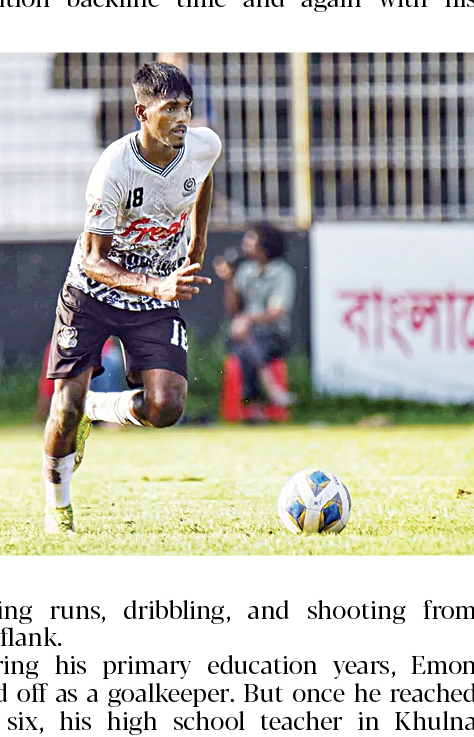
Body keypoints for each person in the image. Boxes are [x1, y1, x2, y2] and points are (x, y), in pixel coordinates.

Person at [43, 62, 221, 536]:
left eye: (186, 108)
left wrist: (198, 243)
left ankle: (98, 409)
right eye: (170, 109)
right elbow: (93, 260)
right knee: (64, 408)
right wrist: (158, 287)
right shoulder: (112, 170)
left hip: (155, 293)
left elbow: (203, 177)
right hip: (93, 292)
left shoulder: (203, 145)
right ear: (142, 113)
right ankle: (58, 507)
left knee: (167, 408)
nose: (182, 119)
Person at [214, 222, 296, 414]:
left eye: (251, 239)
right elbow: (233, 309)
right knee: (246, 344)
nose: (246, 243)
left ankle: (254, 406)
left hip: (274, 336)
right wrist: (229, 280)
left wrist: (248, 320)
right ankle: (270, 391)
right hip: (246, 335)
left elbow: (277, 312)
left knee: (247, 347)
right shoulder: (246, 271)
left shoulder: (282, 272)